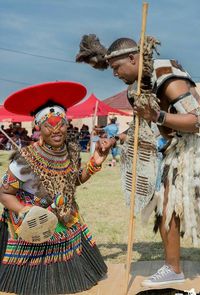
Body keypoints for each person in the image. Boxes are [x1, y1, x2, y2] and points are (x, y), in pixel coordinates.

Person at [76, 35, 200, 286]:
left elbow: (198, 122)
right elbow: (143, 126)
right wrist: (115, 140)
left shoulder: (165, 76)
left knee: (169, 202)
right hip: (183, 144)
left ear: (133, 58)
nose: (115, 74)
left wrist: (158, 115)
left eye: (117, 67)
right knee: (191, 207)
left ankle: (174, 268)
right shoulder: (136, 90)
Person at [0, 81, 116, 294]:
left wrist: (95, 162)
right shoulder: (25, 160)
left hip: (64, 214)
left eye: (60, 124)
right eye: (49, 125)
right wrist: (24, 211)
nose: (56, 130)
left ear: (67, 124)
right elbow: (5, 193)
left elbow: (73, 182)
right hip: (35, 222)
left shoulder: (70, 152)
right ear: (38, 128)